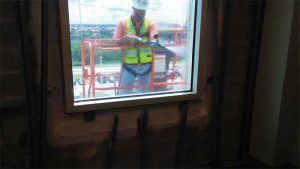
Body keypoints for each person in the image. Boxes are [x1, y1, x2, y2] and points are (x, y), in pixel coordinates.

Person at [113, 0, 158, 95]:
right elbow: (115, 41)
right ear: (133, 8)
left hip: (145, 65)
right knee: (124, 94)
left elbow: (155, 42)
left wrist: (141, 41)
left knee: (144, 94)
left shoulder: (150, 23)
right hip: (129, 65)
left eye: (144, 11)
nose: (142, 13)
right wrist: (124, 39)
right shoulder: (123, 23)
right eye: (139, 11)